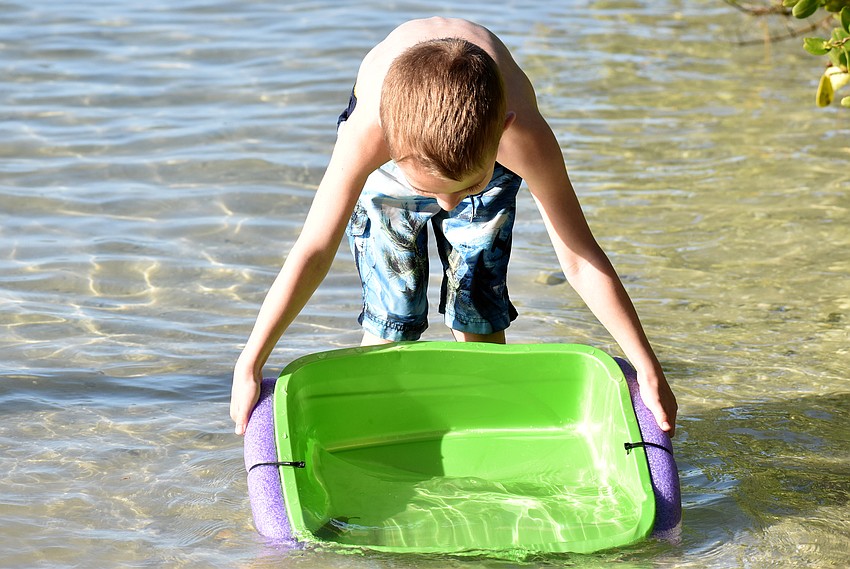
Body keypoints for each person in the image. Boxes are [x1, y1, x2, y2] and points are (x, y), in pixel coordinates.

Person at [230, 17, 677, 437]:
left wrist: (647, 367)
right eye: (435, 192)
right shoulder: (368, 136)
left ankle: (483, 423)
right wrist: (250, 363)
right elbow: (313, 250)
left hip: (476, 145)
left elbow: (579, 259)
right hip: (400, 158)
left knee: (478, 304)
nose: (448, 205)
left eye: (464, 189)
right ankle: (382, 424)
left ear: (503, 132)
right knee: (394, 311)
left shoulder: (524, 140)